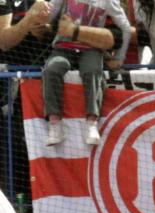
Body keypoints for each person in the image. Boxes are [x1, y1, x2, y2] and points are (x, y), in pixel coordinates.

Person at [42, 0, 133, 146]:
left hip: (91, 48)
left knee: (92, 70)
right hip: (64, 46)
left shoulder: (109, 1)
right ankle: (54, 123)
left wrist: (119, 58)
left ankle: (92, 123)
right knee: (51, 69)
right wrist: (41, 13)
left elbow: (126, 28)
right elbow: (49, 14)